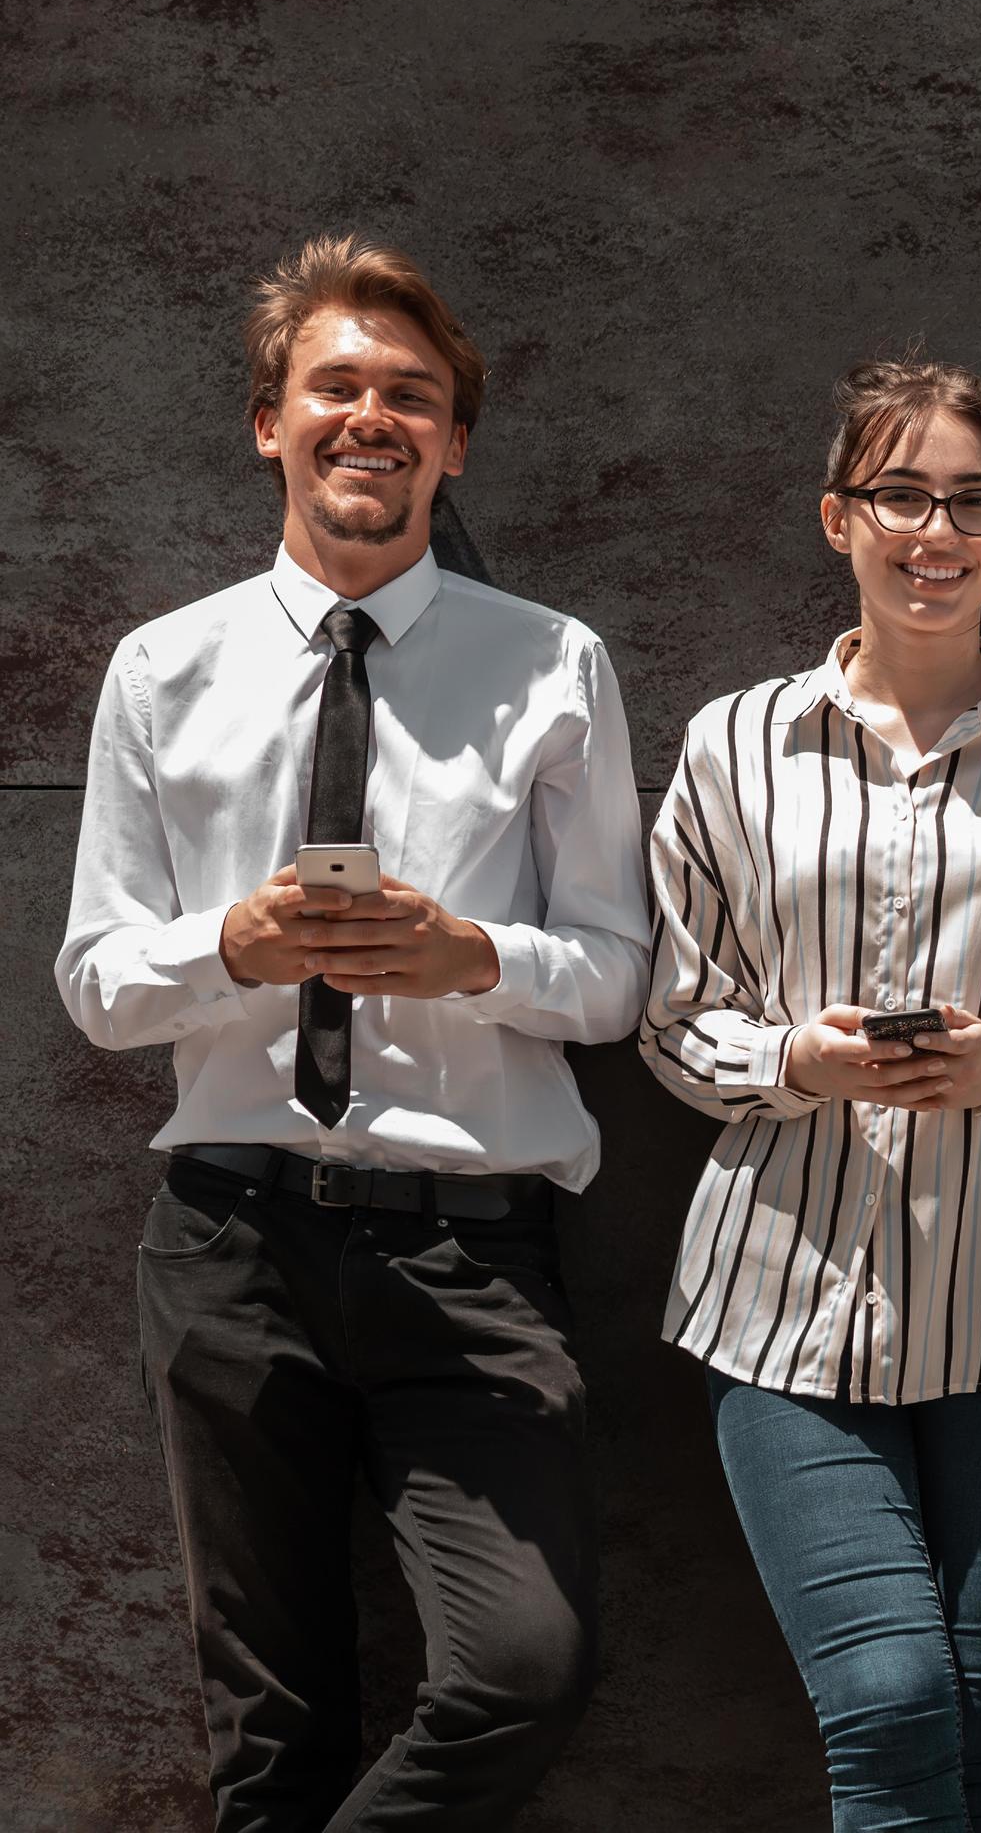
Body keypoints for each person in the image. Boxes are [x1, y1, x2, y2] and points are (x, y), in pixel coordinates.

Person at [56, 234, 652, 1827]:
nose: (370, 416)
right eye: (337, 386)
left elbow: (617, 977)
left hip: (469, 1254)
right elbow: (101, 987)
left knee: (525, 1664)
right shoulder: (162, 671)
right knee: (271, 1725)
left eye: (412, 394)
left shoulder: (554, 664)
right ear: (272, 421)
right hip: (229, 1241)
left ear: (454, 441)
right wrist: (231, 944)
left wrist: (471, 958)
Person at [639, 356, 981, 1831]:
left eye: (972, 501)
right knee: (889, 1701)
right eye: (901, 494)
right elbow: (678, 1021)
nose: (934, 531)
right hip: (784, 1305)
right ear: (840, 519)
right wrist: (797, 1061)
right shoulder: (732, 745)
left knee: (973, 1726)